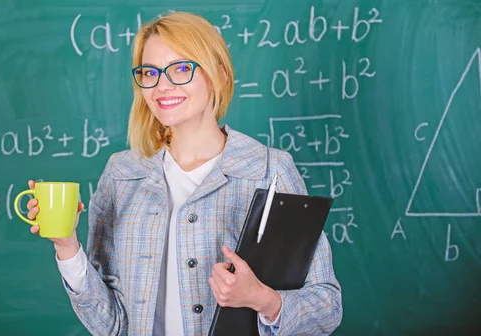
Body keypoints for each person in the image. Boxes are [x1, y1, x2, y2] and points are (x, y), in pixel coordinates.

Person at [25, 11, 342, 336]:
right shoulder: (122, 174)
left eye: (180, 68)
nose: (162, 86)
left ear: (218, 75)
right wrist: (67, 247)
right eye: (150, 72)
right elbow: (113, 325)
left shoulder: (268, 170)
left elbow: (326, 306)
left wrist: (262, 299)